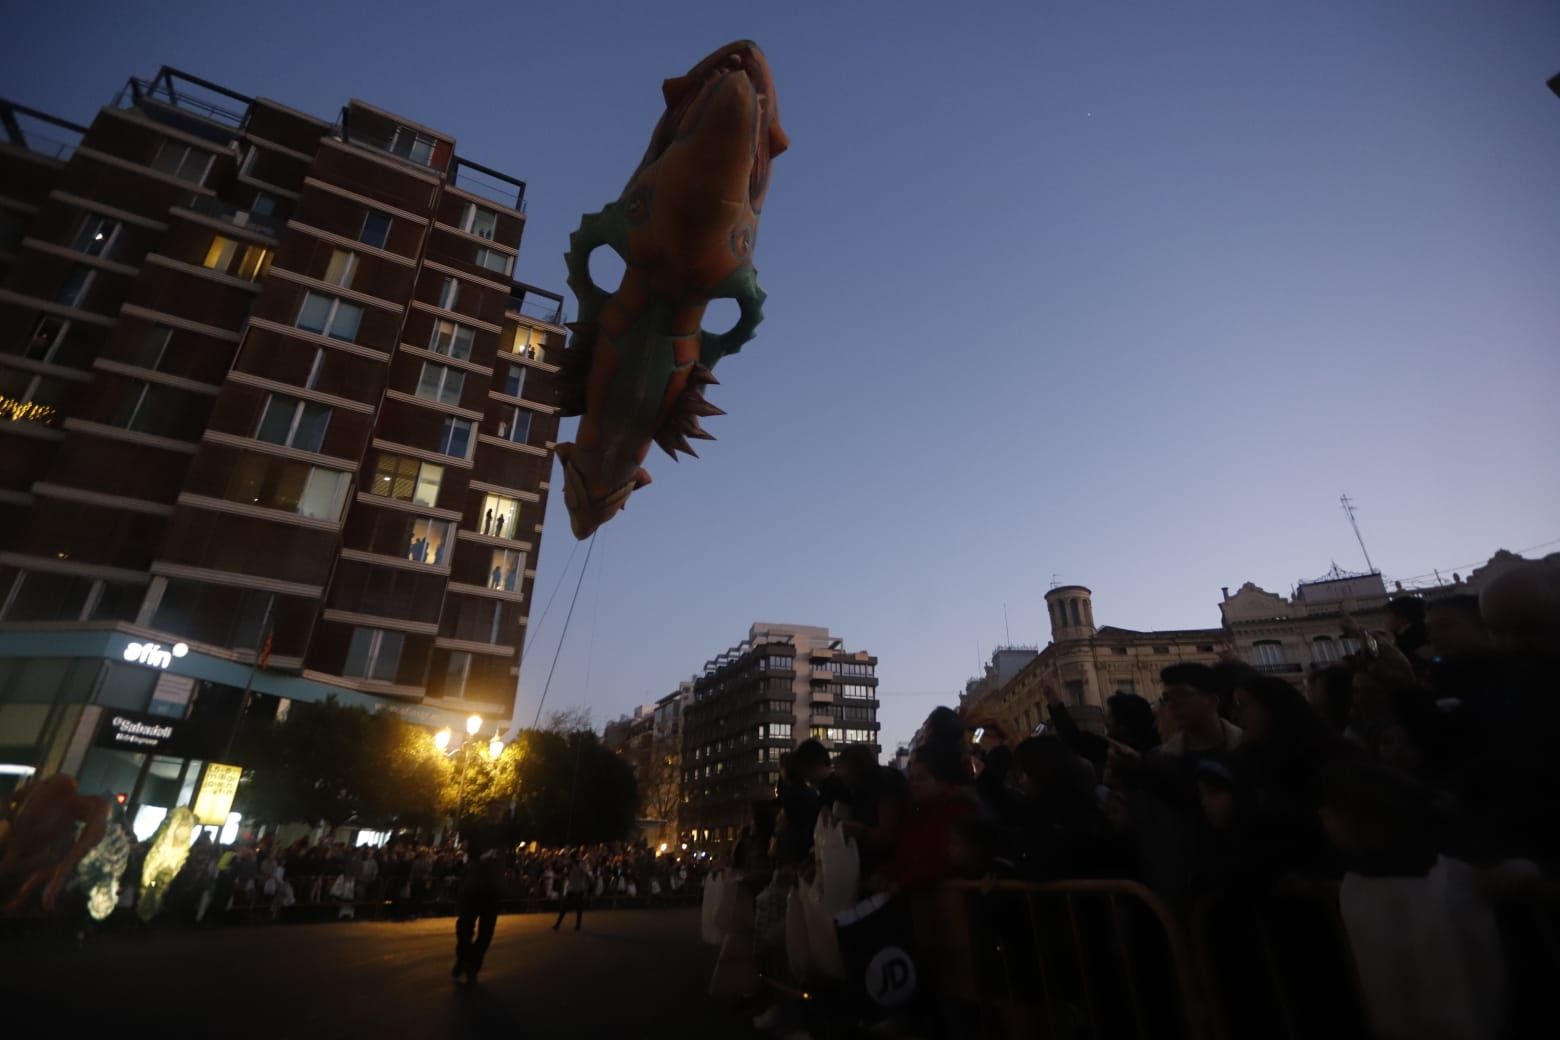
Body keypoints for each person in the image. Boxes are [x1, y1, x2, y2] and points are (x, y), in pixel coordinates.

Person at [454, 802, 510, 983]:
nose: (495, 814)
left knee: (486, 932)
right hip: (475, 885)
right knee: (464, 927)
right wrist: (480, 856)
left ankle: (473, 964)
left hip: (493, 889)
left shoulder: (506, 833)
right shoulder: (477, 829)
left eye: (498, 810)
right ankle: (464, 958)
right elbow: (470, 851)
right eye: (493, 810)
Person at [552, 855, 590, 932]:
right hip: (575, 889)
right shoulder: (575, 867)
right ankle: (561, 925)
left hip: (576, 889)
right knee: (573, 908)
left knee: (569, 908)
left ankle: (559, 925)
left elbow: (585, 876)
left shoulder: (577, 868)